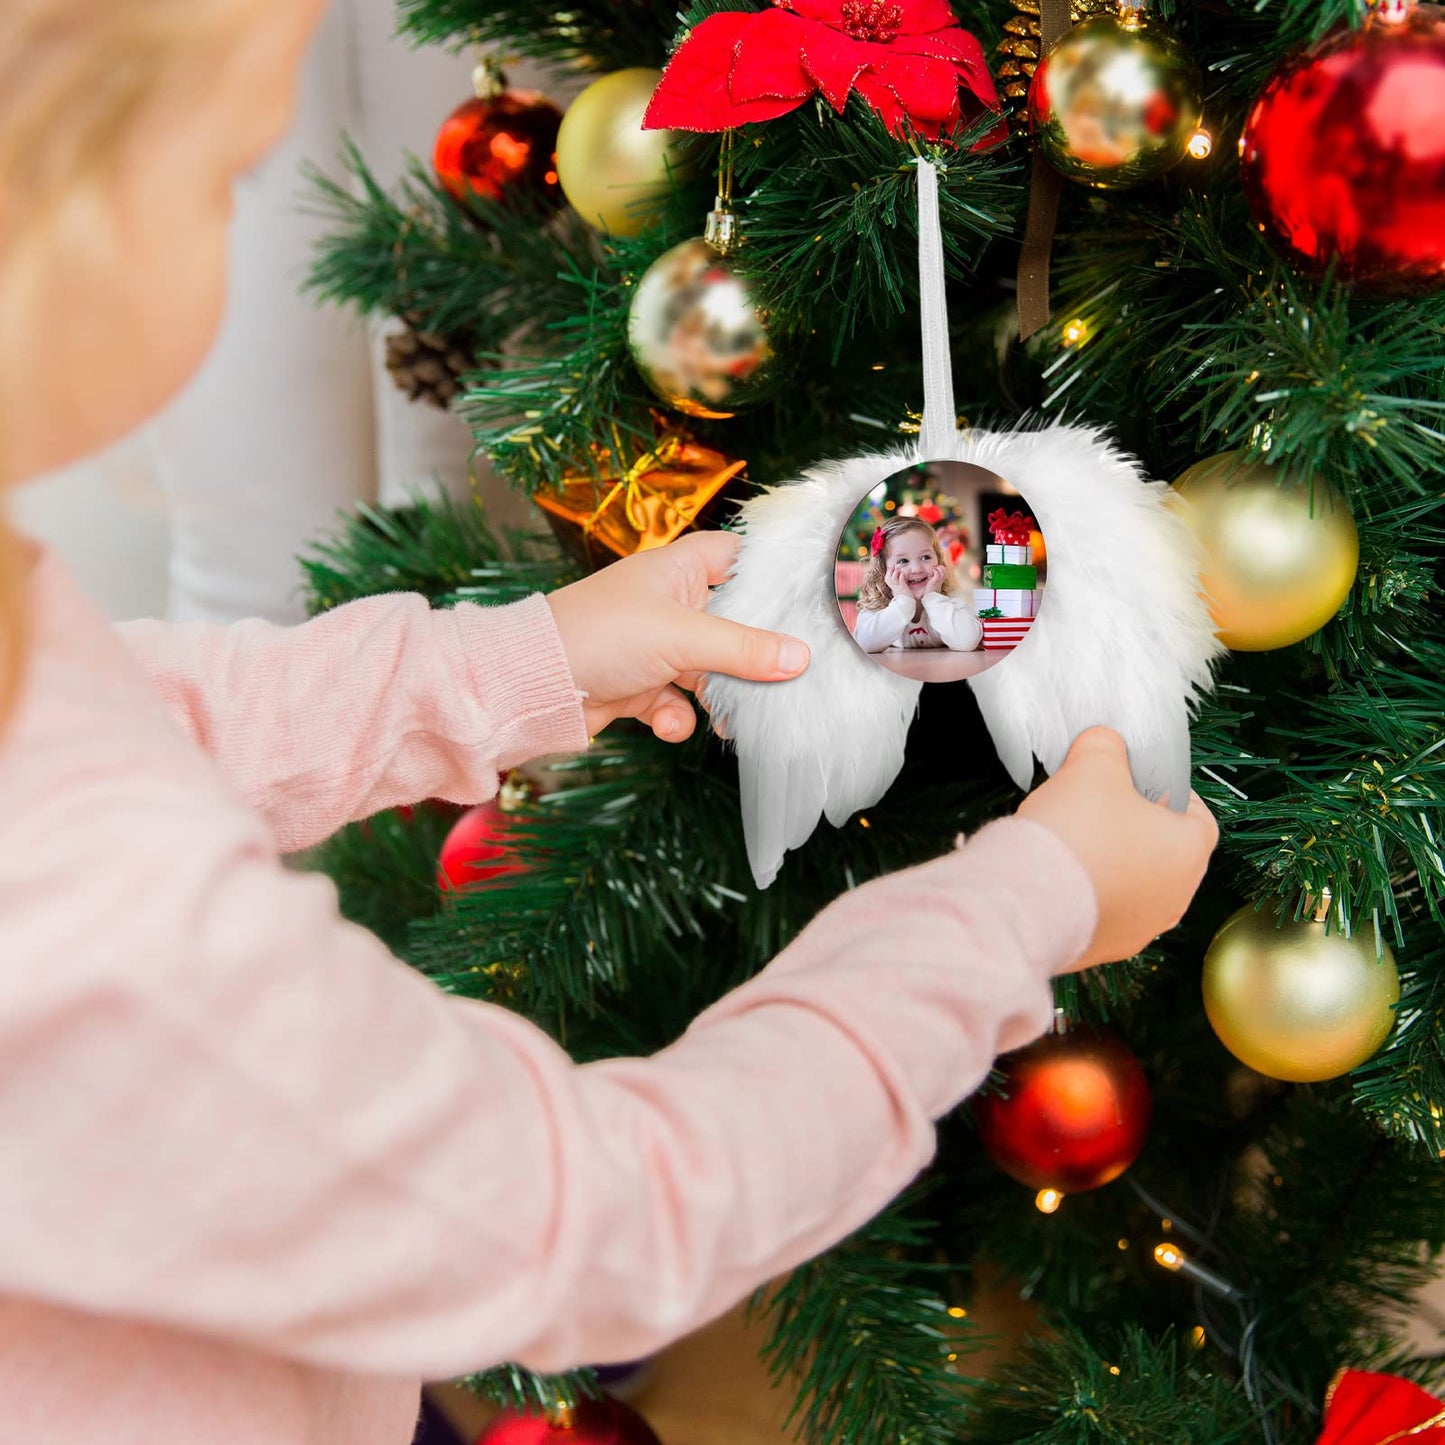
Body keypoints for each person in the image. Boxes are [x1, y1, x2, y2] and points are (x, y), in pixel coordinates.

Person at [0, 2, 1220, 1442]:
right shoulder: (97, 935)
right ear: (52, 220)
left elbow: (145, 711)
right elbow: (606, 1215)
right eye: (224, 175)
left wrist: (525, 660)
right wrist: (1025, 903)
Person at [853, 515, 983, 654]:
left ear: (938, 560)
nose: (916, 569)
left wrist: (933, 597)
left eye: (925, 557)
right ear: (883, 568)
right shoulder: (878, 602)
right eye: (903, 561)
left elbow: (968, 641)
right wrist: (903, 601)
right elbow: (863, 643)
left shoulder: (949, 598)